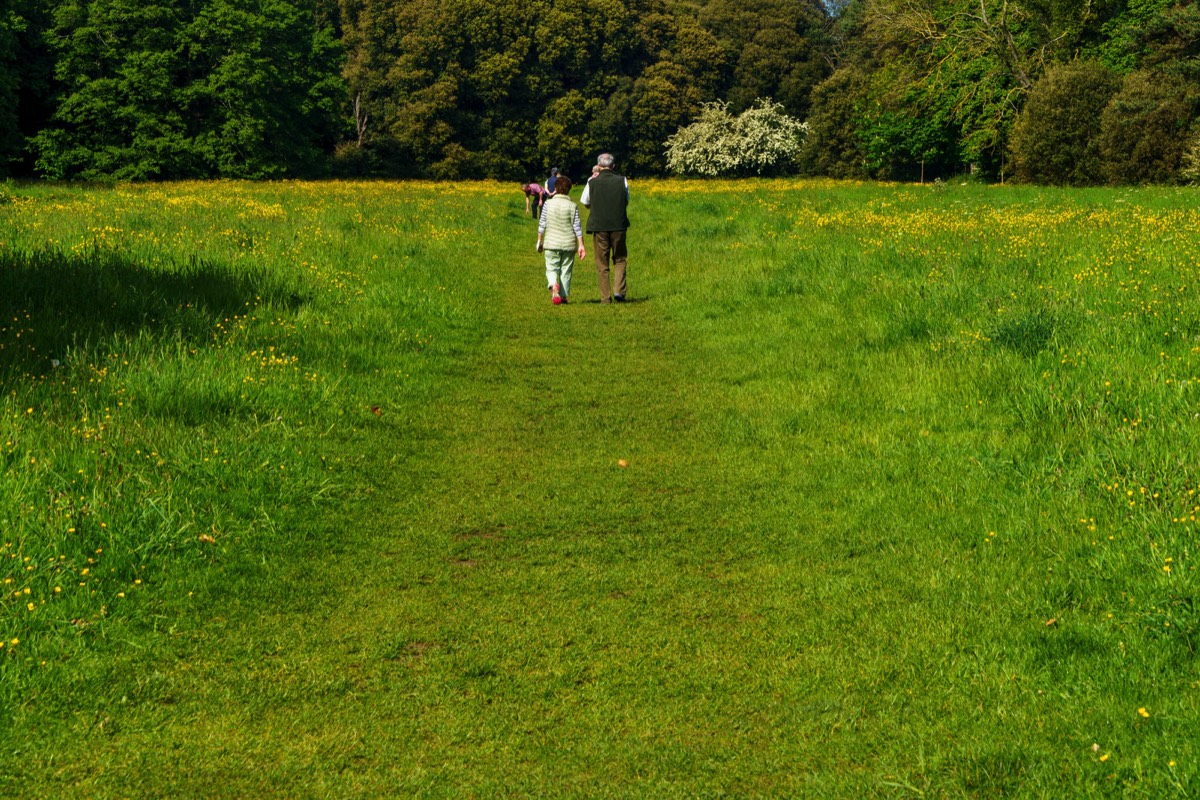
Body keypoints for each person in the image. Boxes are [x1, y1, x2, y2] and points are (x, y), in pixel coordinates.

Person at [581, 153, 630, 303]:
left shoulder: (592, 181)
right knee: (620, 258)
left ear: (599, 166)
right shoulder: (622, 180)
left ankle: (605, 297)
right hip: (619, 225)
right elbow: (626, 200)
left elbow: (585, 201)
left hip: (599, 226)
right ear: (613, 166)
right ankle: (619, 291)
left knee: (602, 263)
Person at [536, 175, 585, 305]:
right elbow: (577, 227)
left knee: (551, 268)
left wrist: (539, 241)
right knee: (566, 270)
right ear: (568, 190)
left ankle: (553, 284)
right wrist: (581, 245)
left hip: (551, 243)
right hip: (568, 244)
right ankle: (563, 296)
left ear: (556, 188)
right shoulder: (573, 206)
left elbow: (542, 224)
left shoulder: (548, 204)